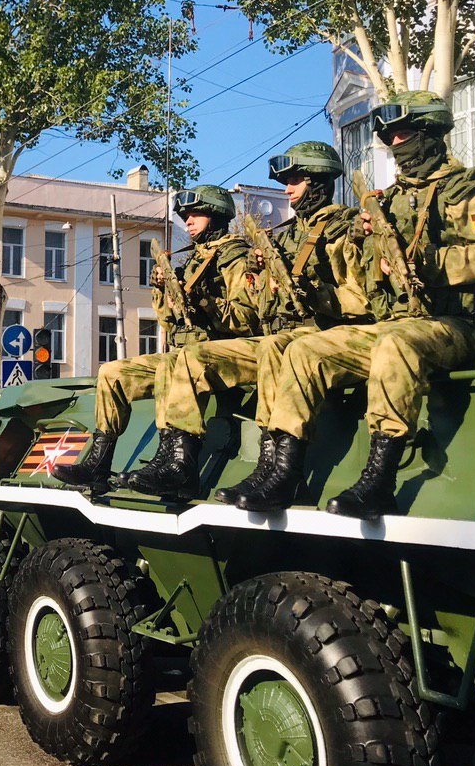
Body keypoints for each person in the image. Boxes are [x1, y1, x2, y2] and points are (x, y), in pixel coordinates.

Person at [224, 90, 475, 518]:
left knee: (397, 343)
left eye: (404, 135)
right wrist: (366, 240)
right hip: (398, 319)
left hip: (456, 321)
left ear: (431, 133)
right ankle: (283, 471)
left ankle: (380, 478)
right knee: (305, 349)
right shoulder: (389, 200)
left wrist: (426, 262)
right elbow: (367, 280)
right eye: (389, 138)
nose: (395, 145)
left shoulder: (465, 190)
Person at [153, 142, 369, 507]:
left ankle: (280, 469)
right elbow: (265, 309)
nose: (287, 189)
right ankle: (182, 461)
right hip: (286, 334)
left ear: (318, 180)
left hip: (325, 334)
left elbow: (364, 299)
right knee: (143, 365)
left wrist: (314, 294)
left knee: (273, 348)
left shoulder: (346, 229)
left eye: (296, 180)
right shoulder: (284, 237)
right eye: (286, 181)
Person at [54, 185, 260, 498]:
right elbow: (169, 322)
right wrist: (165, 293)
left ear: (217, 215)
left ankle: (179, 465)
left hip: (220, 352)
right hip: (186, 352)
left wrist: (205, 302)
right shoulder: (193, 259)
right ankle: (98, 464)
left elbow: (245, 319)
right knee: (112, 373)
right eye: (186, 215)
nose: (188, 221)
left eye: (196, 213)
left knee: (178, 363)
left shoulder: (234, 256)